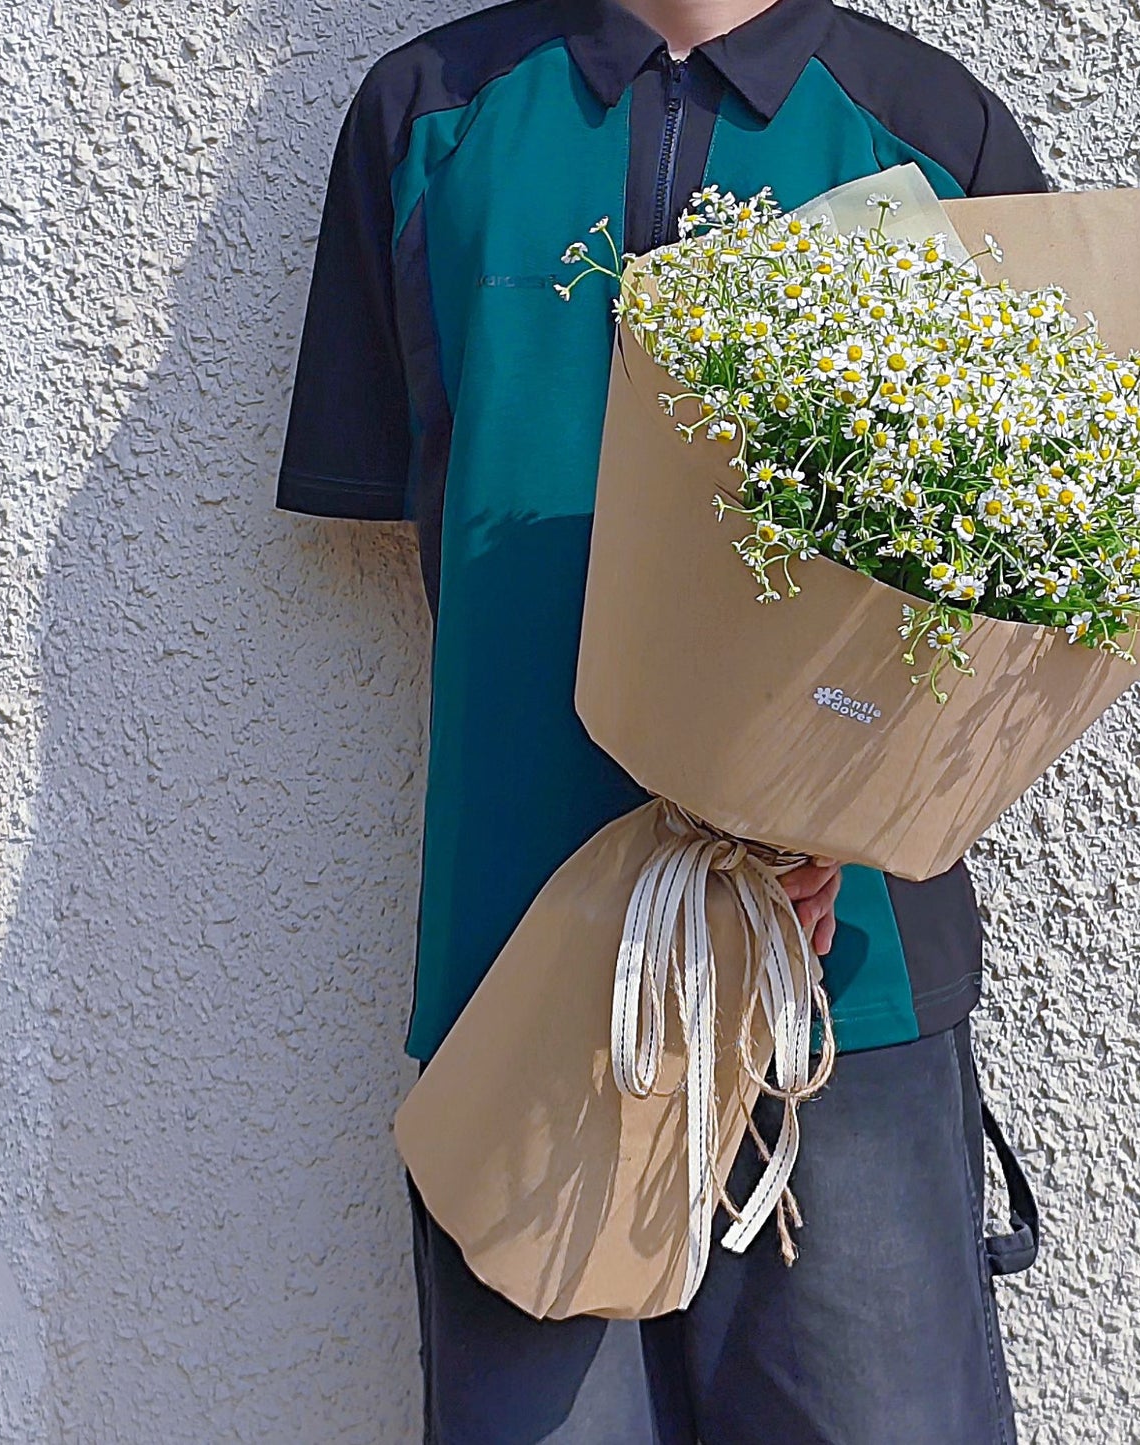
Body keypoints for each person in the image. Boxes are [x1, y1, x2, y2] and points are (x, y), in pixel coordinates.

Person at [276, 0, 1046, 1438]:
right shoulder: (423, 117)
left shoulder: (933, 131)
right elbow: (427, 520)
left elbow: (1018, 599)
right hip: (530, 979)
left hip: (845, 997)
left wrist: (834, 803)